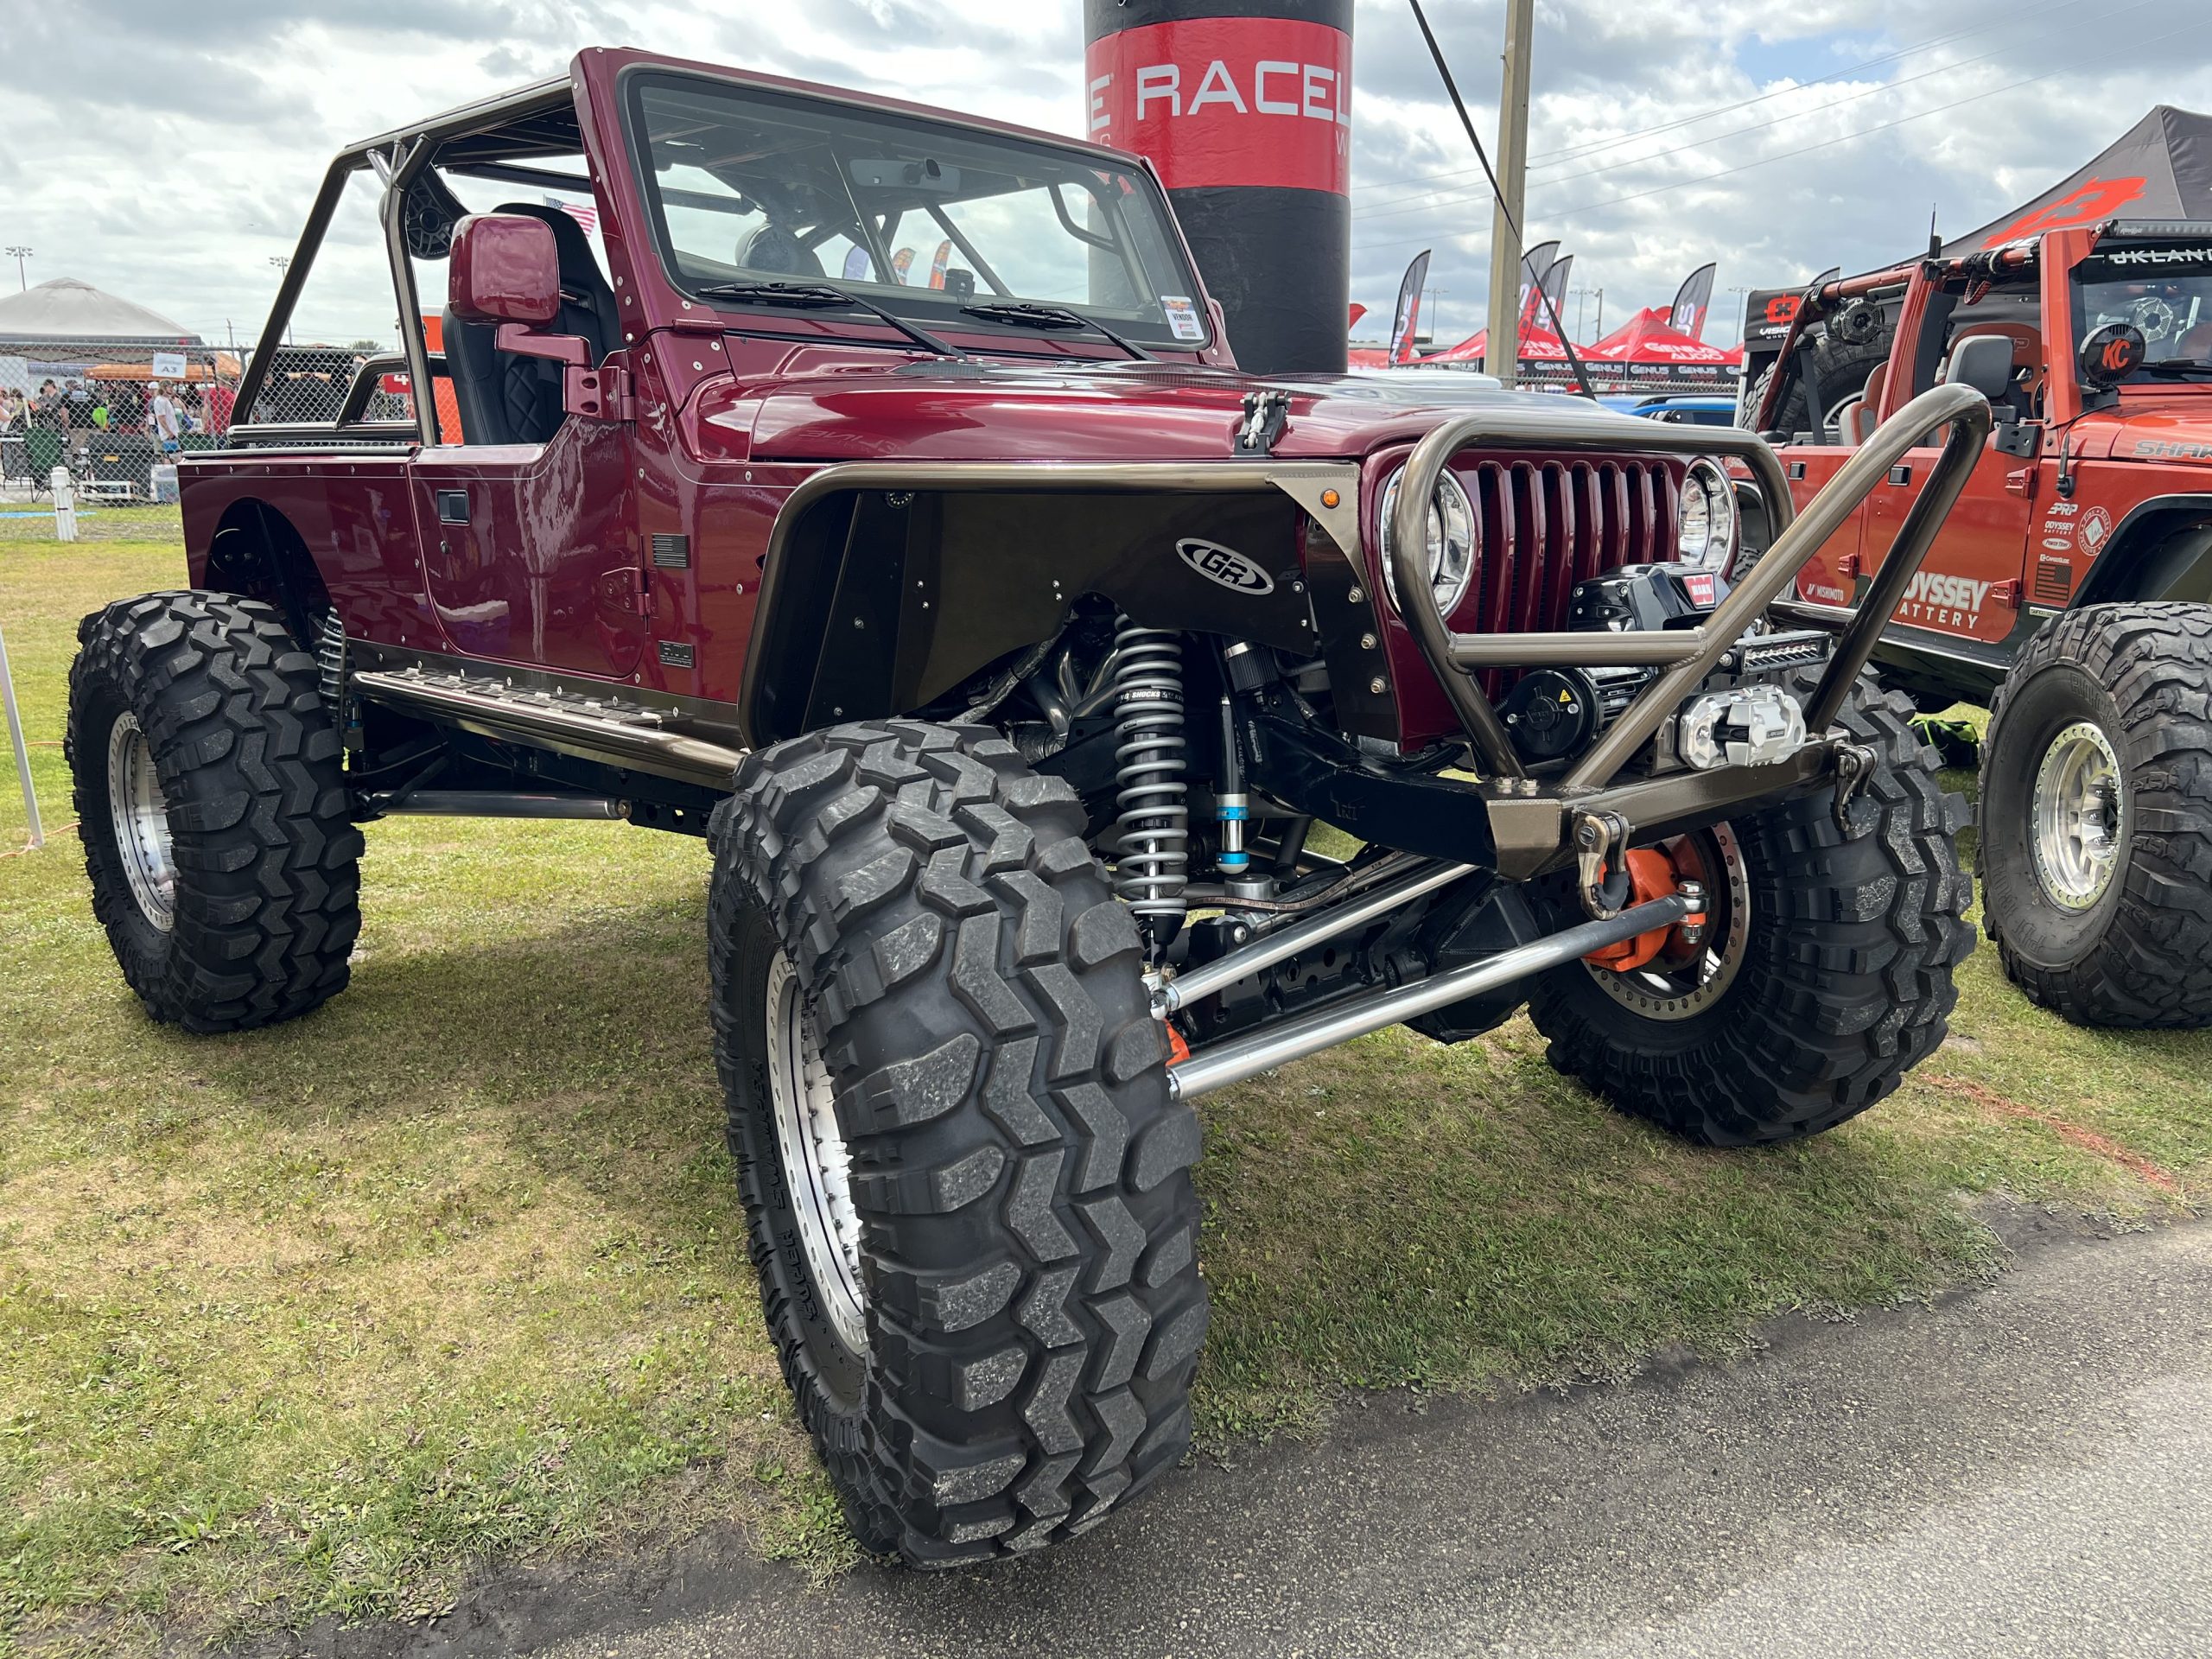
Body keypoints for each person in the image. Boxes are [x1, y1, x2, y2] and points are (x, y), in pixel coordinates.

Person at [147, 380, 182, 455]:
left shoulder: (166, 399)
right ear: (163, 388)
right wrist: (169, 432)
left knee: (173, 454)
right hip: (166, 433)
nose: (171, 389)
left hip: (172, 432)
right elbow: (161, 418)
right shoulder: (160, 400)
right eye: (169, 387)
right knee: (170, 455)